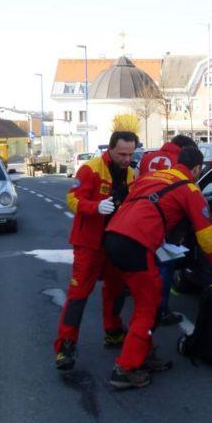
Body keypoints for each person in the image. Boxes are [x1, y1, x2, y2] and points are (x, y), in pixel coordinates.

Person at [102, 146, 212, 390]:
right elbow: (207, 238)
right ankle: (126, 369)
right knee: (148, 308)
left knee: (142, 299)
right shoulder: (189, 189)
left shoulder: (152, 177)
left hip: (113, 237)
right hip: (136, 245)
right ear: (196, 169)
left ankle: (142, 354)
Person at [54, 131, 137, 371]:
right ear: (110, 149)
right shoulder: (90, 169)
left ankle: (112, 331)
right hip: (89, 243)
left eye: (130, 154)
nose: (126, 159)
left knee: (116, 289)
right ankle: (65, 346)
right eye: (122, 154)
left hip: (115, 242)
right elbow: (72, 199)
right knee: (79, 294)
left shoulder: (131, 172)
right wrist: (95, 206)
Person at [137, 134, 199, 326]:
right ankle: (160, 309)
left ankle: (147, 305)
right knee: (165, 263)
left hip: (142, 215)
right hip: (168, 219)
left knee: (148, 265)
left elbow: (138, 181)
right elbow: (185, 189)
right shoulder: (179, 162)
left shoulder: (148, 157)